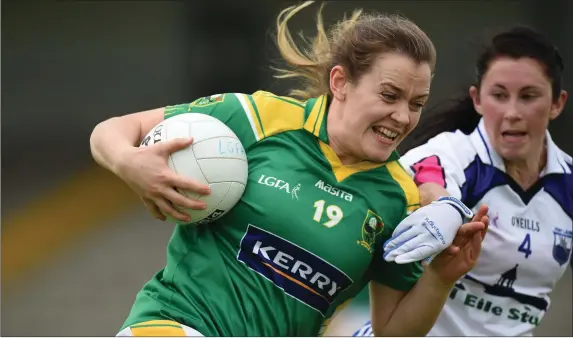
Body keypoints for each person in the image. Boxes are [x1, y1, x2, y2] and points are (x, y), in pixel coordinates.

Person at [90, 2, 488, 337]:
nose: (402, 116)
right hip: (175, 323)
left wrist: (440, 279)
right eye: (389, 95)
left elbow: (390, 329)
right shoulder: (259, 118)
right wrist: (129, 162)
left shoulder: (400, 198)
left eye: (417, 104)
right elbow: (113, 130)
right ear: (340, 82)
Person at [353, 25, 572, 337]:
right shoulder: (455, 152)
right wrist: (446, 208)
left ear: (557, 104)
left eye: (528, 96)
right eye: (498, 95)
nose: (512, 112)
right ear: (478, 100)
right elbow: (428, 179)